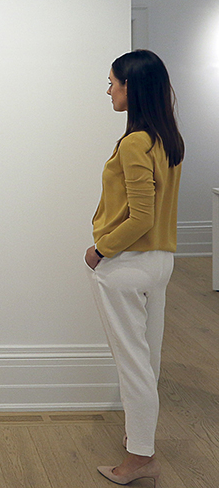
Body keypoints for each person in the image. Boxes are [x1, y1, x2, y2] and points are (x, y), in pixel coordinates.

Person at [85, 49, 184, 487]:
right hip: (160, 262)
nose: (108, 89)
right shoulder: (167, 139)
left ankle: (139, 458)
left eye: (112, 82)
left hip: (127, 265)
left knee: (134, 365)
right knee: (149, 360)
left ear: (132, 87)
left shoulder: (133, 142)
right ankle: (141, 447)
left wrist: (101, 249)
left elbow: (140, 216)